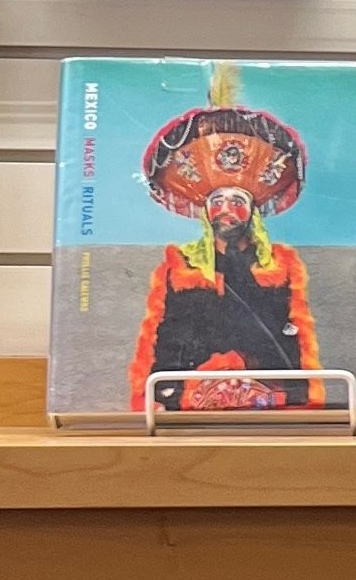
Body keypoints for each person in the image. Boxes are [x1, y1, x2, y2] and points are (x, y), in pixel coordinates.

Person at [124, 96, 322, 415]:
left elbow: (296, 340)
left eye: (236, 202)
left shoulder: (280, 267)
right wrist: (154, 398)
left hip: (269, 400)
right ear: (205, 213)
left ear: (253, 213)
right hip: (190, 399)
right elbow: (162, 337)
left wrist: (304, 398)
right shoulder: (180, 266)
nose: (226, 210)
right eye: (217, 203)